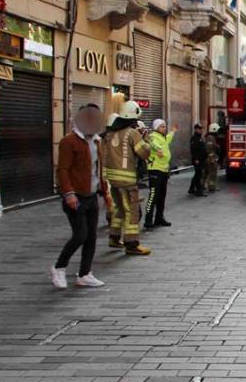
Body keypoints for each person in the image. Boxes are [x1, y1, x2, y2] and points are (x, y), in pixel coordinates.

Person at [52, 103, 110, 289]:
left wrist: (105, 191)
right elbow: (62, 170)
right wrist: (68, 193)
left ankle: (85, 274)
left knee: (91, 236)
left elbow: (98, 169)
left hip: (92, 195)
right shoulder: (69, 141)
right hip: (75, 196)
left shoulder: (96, 141)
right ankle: (59, 267)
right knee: (80, 235)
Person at [102, 101, 152, 255]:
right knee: (132, 211)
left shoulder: (109, 134)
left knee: (119, 209)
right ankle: (132, 244)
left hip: (112, 178)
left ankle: (114, 238)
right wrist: (146, 141)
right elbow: (144, 153)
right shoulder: (132, 133)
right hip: (127, 180)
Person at [144, 119, 177, 229]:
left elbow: (167, 140)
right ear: (156, 127)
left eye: (165, 126)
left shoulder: (162, 137)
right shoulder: (153, 135)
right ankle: (148, 220)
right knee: (153, 195)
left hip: (163, 170)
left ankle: (159, 218)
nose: (164, 128)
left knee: (162, 196)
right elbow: (152, 143)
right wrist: (158, 149)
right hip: (155, 170)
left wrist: (172, 132)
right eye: (162, 127)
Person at [189, 123, 207, 197]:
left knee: (197, 175)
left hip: (201, 159)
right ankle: (199, 191)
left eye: (201, 129)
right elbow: (193, 150)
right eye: (199, 129)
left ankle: (192, 189)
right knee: (198, 175)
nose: (201, 130)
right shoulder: (194, 138)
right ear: (196, 129)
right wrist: (196, 158)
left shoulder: (200, 137)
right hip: (198, 160)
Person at [203, 123, 220, 192]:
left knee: (205, 173)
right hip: (211, 159)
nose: (218, 132)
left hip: (209, 158)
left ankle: (202, 186)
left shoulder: (209, 137)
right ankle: (212, 187)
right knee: (212, 173)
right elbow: (209, 148)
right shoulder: (210, 138)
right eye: (217, 130)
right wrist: (217, 147)